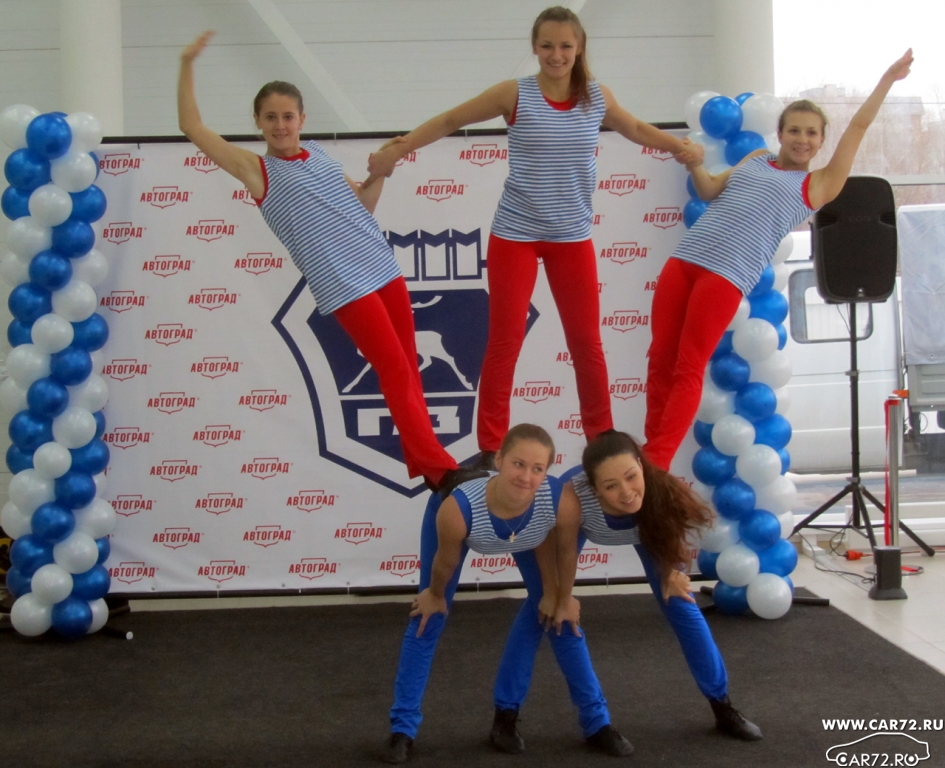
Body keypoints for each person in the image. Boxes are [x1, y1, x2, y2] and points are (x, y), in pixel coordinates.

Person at [366, 6, 699, 470]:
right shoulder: (515, 93)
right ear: (534, 47)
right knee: (505, 343)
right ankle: (491, 446)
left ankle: (601, 439)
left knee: (587, 344)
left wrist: (679, 148)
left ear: (579, 47)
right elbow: (448, 120)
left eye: (565, 46)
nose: (556, 55)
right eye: (546, 46)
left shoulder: (596, 97)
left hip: (571, 239)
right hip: (516, 236)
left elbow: (638, 129)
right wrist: (398, 150)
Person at [176, 31, 482, 494]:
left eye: (288, 116)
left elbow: (362, 207)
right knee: (395, 368)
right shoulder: (255, 170)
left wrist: (380, 174)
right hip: (343, 285)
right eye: (271, 117)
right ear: (257, 122)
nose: (281, 125)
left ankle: (429, 462)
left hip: (382, 268)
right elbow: (192, 127)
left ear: (302, 119)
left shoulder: (318, 154)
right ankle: (441, 470)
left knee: (407, 370)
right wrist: (187, 63)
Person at [643, 50, 914, 471]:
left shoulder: (818, 184)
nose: (802, 139)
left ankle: (655, 464)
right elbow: (711, 191)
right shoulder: (756, 159)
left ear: (821, 141)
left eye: (811, 133)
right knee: (660, 358)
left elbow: (859, 127)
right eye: (794, 130)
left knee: (688, 366)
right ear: (781, 133)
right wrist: (696, 165)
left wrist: (886, 80)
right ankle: (645, 451)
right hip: (685, 260)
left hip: (725, 276)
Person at [494, 429, 762, 746]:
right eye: (611, 486)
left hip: (644, 530)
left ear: (640, 465)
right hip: (554, 537)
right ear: (594, 489)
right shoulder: (571, 498)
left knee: (681, 603)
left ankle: (722, 705)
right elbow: (563, 553)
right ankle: (560, 720)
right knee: (550, 610)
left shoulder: (659, 490)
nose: (626, 493)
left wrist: (672, 572)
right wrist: (560, 596)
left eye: (631, 476)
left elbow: (670, 539)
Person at [384, 424, 632, 764]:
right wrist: (435, 595)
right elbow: (445, 562)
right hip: (466, 527)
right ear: (499, 460)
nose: (526, 476)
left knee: (560, 618)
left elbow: (562, 551)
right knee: (427, 617)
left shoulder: (558, 499)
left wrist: (560, 597)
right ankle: (402, 729)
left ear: (547, 471)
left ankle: (596, 722)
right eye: (518, 464)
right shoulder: (457, 509)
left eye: (537, 468)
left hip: (526, 534)